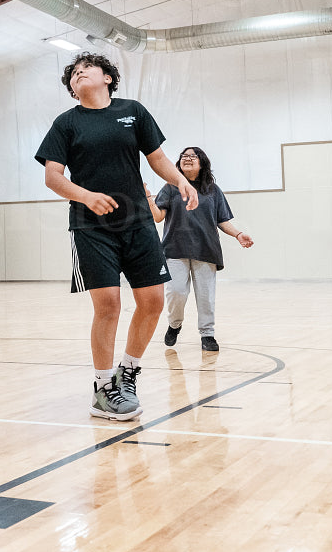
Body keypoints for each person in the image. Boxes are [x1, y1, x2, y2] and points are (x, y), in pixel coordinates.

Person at [35, 52, 197, 421]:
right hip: (91, 227)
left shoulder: (133, 112)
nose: (79, 74)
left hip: (138, 222)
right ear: (73, 91)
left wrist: (180, 181)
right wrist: (86, 196)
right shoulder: (66, 123)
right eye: (73, 75)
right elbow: (53, 177)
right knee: (108, 304)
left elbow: (156, 158)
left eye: (86, 69)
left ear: (108, 78)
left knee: (153, 302)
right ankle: (103, 387)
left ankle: (129, 372)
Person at [146, 146, 254, 354]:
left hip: (206, 250)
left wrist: (238, 234)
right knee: (176, 292)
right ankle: (174, 325)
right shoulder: (170, 187)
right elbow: (157, 217)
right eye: (183, 156)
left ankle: (207, 334)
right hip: (174, 249)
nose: (187, 159)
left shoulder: (213, 190)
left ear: (202, 162)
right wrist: (149, 198)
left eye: (192, 156)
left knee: (206, 296)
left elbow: (222, 221)